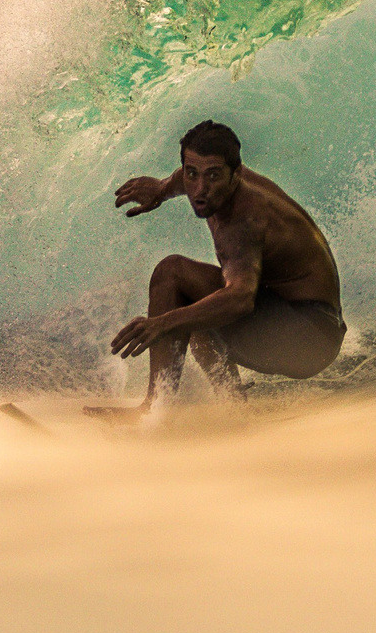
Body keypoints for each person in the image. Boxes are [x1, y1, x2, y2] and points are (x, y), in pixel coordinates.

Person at [96, 119, 344, 420]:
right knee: (197, 306)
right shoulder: (208, 183)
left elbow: (240, 299)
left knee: (172, 274)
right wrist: (160, 190)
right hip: (308, 325)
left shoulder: (243, 221)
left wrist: (161, 323)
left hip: (310, 340)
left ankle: (153, 411)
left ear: (235, 174)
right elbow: (186, 178)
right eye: (192, 174)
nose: (200, 189)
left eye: (213, 176)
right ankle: (233, 403)